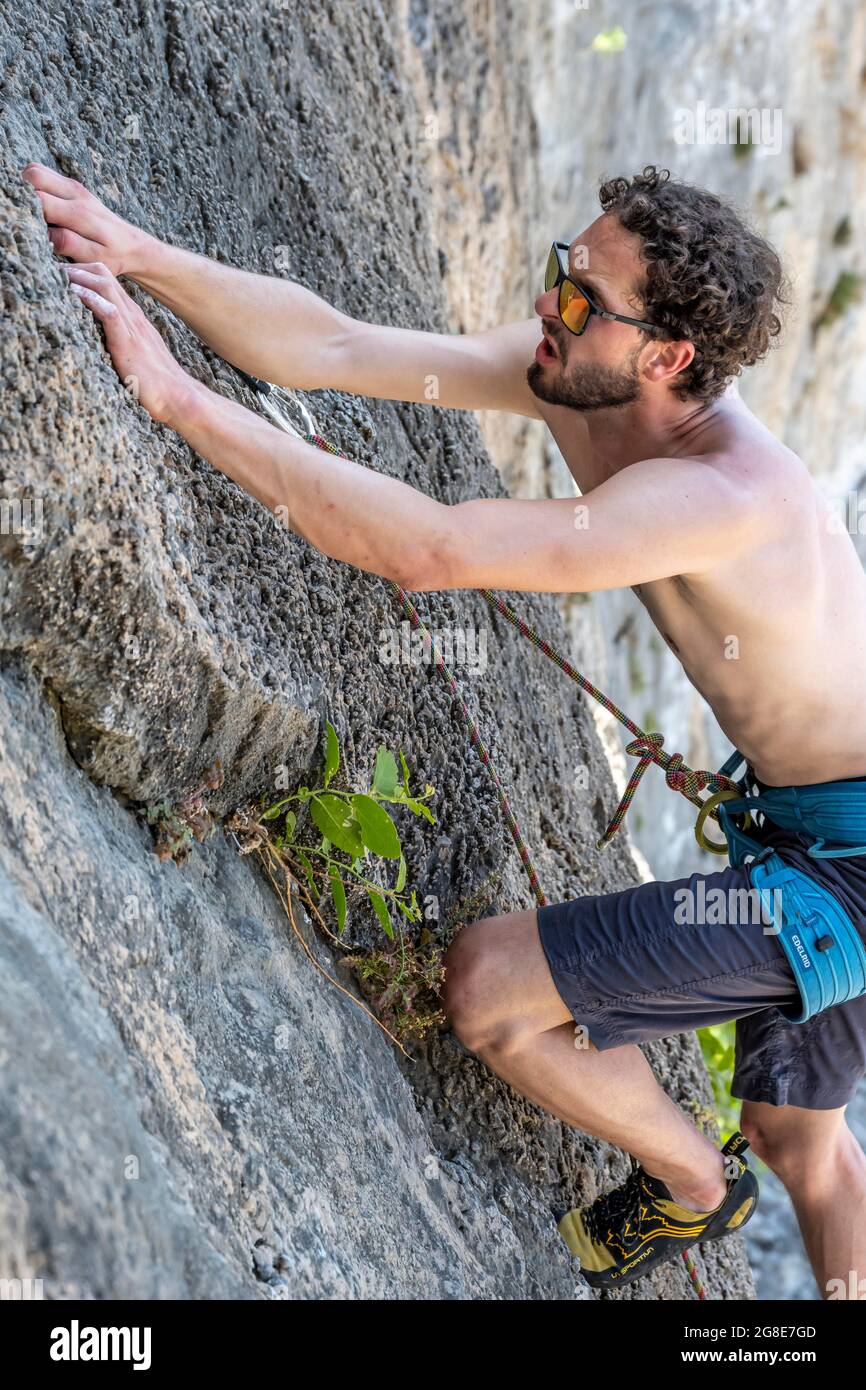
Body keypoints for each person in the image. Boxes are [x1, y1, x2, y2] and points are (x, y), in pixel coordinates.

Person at [22, 160, 866, 1295]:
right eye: (559, 270)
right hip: (808, 817)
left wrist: (176, 399)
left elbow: (431, 552)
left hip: (845, 870)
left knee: (491, 990)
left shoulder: (720, 495)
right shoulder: (589, 380)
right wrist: (136, 254)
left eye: (581, 300)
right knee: (800, 1139)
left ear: (667, 357)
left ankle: (694, 1185)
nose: (546, 307)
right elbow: (332, 348)